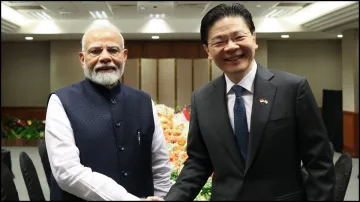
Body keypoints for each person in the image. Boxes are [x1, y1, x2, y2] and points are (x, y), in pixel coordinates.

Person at [164, 3, 335, 201]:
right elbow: (199, 161)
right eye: (219, 41)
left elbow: (319, 162)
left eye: (238, 37)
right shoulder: (202, 98)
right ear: (207, 51)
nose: (231, 47)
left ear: (254, 39)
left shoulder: (293, 89)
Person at [45, 22, 171, 201]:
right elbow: (66, 171)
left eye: (113, 50)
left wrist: (161, 197)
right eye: (95, 51)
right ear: (82, 59)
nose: (105, 57)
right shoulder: (61, 102)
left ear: (124, 56)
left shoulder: (144, 101)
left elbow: (160, 164)